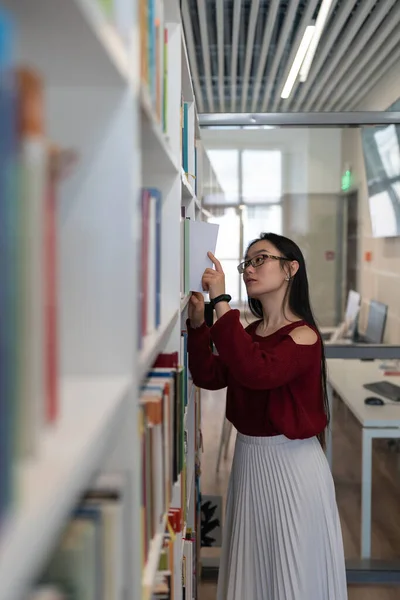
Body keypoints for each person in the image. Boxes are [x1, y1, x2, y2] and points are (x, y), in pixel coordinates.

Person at [186, 232, 347, 600]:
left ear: (292, 268)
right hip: (250, 461)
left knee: (291, 571)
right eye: (246, 263)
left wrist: (221, 302)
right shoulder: (253, 333)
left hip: (292, 467)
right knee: (255, 570)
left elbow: (258, 372)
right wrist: (198, 326)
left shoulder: (304, 336)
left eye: (261, 259)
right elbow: (211, 375)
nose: (249, 269)